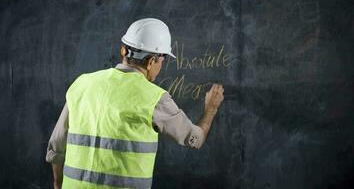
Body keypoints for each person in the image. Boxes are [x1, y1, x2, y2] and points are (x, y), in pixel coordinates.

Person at [46, 18, 224, 189]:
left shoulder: (82, 83)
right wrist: (211, 109)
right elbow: (195, 139)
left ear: (123, 50)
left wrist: (58, 184)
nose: (160, 67)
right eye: (162, 61)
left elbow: (56, 146)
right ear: (152, 61)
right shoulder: (154, 98)